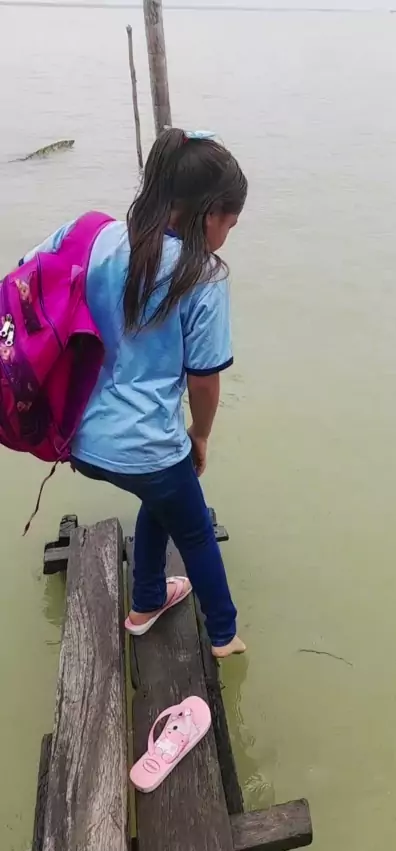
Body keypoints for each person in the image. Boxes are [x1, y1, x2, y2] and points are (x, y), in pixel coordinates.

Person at [24, 128, 248, 658]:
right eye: (230, 223)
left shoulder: (94, 236)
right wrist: (200, 435)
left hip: (77, 438)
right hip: (146, 447)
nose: (228, 234)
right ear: (209, 215)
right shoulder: (204, 276)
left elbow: (27, 279)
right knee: (194, 530)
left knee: (161, 492)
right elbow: (204, 381)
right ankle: (225, 636)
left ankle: (146, 604)